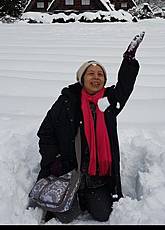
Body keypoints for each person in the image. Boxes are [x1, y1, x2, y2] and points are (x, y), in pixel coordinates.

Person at [35, 32, 145, 223]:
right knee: (67, 216)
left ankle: (85, 197)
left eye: (100, 74)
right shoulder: (67, 102)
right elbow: (46, 132)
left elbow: (125, 87)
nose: (96, 78)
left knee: (102, 214)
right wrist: (54, 159)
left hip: (97, 177)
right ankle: (75, 197)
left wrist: (128, 62)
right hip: (69, 172)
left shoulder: (108, 101)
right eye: (91, 73)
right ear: (82, 78)